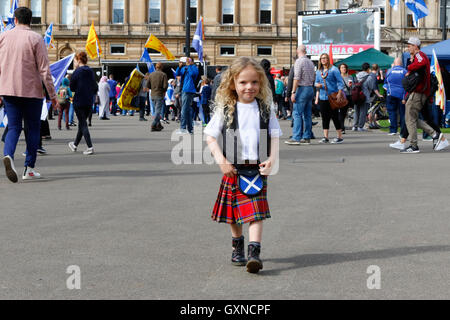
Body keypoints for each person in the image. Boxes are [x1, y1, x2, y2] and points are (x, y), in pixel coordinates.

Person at [204, 57, 282, 274]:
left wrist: (272, 159)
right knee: (234, 213)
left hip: (258, 167)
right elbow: (210, 136)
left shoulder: (266, 108)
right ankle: (237, 245)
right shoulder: (226, 108)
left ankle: (254, 253)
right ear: (233, 84)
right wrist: (222, 161)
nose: (250, 87)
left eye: (255, 82)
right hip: (233, 167)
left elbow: (274, 135)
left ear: (261, 83)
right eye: (243, 83)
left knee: (256, 212)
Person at [0, 7, 59, 182]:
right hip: (31, 91)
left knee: (14, 126)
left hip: (8, 89)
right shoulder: (36, 38)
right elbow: (44, 70)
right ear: (31, 21)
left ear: (15, 20)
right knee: (33, 129)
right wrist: (53, 96)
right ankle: (29, 168)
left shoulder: (3, 37)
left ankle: (8, 154)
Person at [401, 37, 448, 153]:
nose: (408, 47)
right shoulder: (417, 56)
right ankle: (434, 135)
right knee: (411, 118)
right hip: (419, 93)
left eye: (410, 45)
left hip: (418, 93)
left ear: (415, 46)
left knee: (410, 118)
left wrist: (410, 66)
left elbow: (420, 63)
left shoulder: (419, 55)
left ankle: (414, 145)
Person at [69, 51, 98, 155]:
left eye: (75, 61)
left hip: (79, 100)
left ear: (79, 60)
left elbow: (72, 87)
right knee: (82, 123)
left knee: (83, 124)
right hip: (89, 101)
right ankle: (75, 144)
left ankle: (90, 147)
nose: (74, 63)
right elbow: (95, 87)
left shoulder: (77, 72)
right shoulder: (90, 71)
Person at [286, 45, 315, 145]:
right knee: (307, 114)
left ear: (298, 51)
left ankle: (296, 137)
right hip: (310, 88)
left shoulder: (299, 61)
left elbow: (296, 78)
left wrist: (293, 92)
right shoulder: (310, 62)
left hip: (302, 88)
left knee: (297, 113)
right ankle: (307, 137)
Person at [314, 53, 345, 144]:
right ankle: (325, 137)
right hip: (322, 97)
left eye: (325, 58)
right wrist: (317, 85)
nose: (323, 60)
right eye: (321, 58)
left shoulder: (334, 70)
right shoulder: (319, 71)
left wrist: (339, 93)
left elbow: (340, 82)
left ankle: (339, 136)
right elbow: (315, 83)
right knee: (324, 117)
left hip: (333, 96)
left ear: (328, 59)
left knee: (335, 116)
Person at [175, 57, 199, 134]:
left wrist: (189, 66)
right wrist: (179, 66)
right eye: (186, 60)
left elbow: (193, 74)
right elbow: (177, 74)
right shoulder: (185, 68)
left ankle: (183, 128)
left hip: (189, 90)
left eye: (188, 60)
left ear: (192, 61)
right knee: (187, 110)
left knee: (184, 110)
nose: (187, 62)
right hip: (184, 90)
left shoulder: (194, 67)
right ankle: (190, 129)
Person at [384, 58, 407, 135]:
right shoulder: (404, 71)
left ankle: (393, 130)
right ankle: (403, 132)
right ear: (401, 63)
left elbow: (385, 83)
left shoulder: (389, 71)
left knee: (392, 112)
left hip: (391, 94)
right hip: (402, 95)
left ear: (394, 63)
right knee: (402, 113)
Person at [147, 62, 168, 132]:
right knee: (158, 111)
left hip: (152, 94)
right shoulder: (163, 75)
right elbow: (165, 86)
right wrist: (164, 91)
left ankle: (158, 125)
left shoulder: (151, 74)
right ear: (162, 67)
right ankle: (153, 124)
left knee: (156, 110)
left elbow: (148, 85)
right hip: (160, 94)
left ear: (156, 67)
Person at [339, 63, 353, 134]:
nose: (343, 69)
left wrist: (351, 86)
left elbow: (353, 88)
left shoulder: (350, 77)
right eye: (342, 67)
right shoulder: (338, 77)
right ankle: (342, 128)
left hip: (349, 96)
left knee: (346, 113)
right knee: (342, 112)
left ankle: (342, 127)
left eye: (344, 67)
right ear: (340, 69)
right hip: (341, 96)